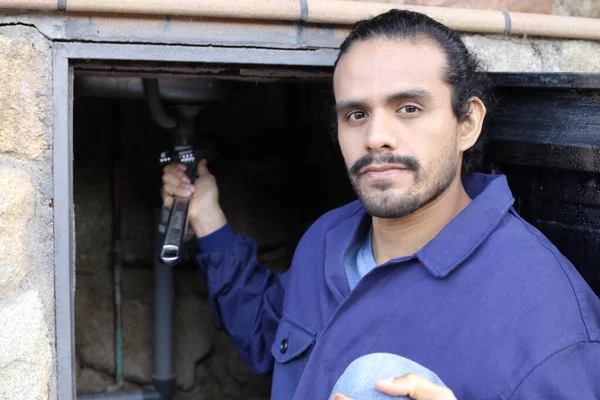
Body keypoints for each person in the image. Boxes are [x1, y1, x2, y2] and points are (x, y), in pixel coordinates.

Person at [161, 9, 600, 400]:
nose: (375, 138)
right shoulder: (327, 240)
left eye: (408, 108)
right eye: (356, 115)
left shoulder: (547, 322)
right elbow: (268, 338)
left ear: (467, 124)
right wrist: (206, 216)